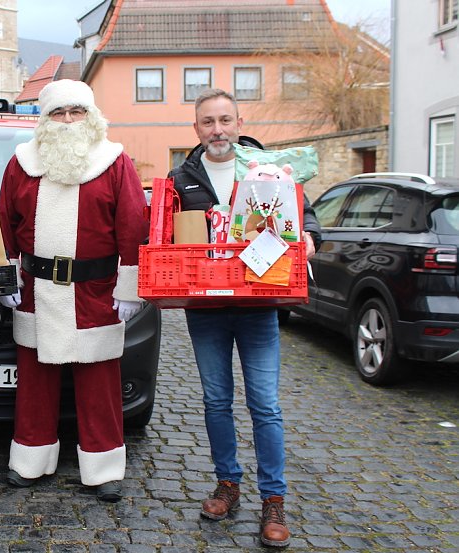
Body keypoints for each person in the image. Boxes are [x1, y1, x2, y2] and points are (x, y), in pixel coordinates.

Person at [168, 88, 321, 547]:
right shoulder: (182, 178)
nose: (217, 130)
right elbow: (163, 228)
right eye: (208, 122)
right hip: (206, 307)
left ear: (238, 123)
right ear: (196, 129)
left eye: (225, 120)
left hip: (258, 302)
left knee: (265, 405)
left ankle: (273, 500)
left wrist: (311, 237)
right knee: (216, 401)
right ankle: (228, 485)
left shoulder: (266, 169)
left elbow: (306, 216)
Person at [0, 79, 148, 502]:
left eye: (75, 112)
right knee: (35, 383)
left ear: (91, 115)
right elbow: (4, 220)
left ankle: (103, 470)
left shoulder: (114, 162)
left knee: (99, 383)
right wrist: (6, 274)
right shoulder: (22, 163)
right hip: (36, 288)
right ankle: (30, 460)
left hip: (95, 290)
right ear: (44, 120)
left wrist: (130, 286)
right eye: (58, 113)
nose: (67, 121)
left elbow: (134, 223)